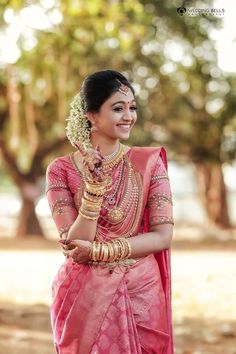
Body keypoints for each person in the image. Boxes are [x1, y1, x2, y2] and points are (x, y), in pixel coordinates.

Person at [46, 69, 174, 354]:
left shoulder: (150, 163)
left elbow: (163, 236)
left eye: (132, 108)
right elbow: (74, 242)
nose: (129, 116)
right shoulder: (61, 170)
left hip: (141, 290)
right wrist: (93, 190)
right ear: (91, 114)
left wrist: (102, 252)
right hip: (85, 295)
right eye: (118, 108)